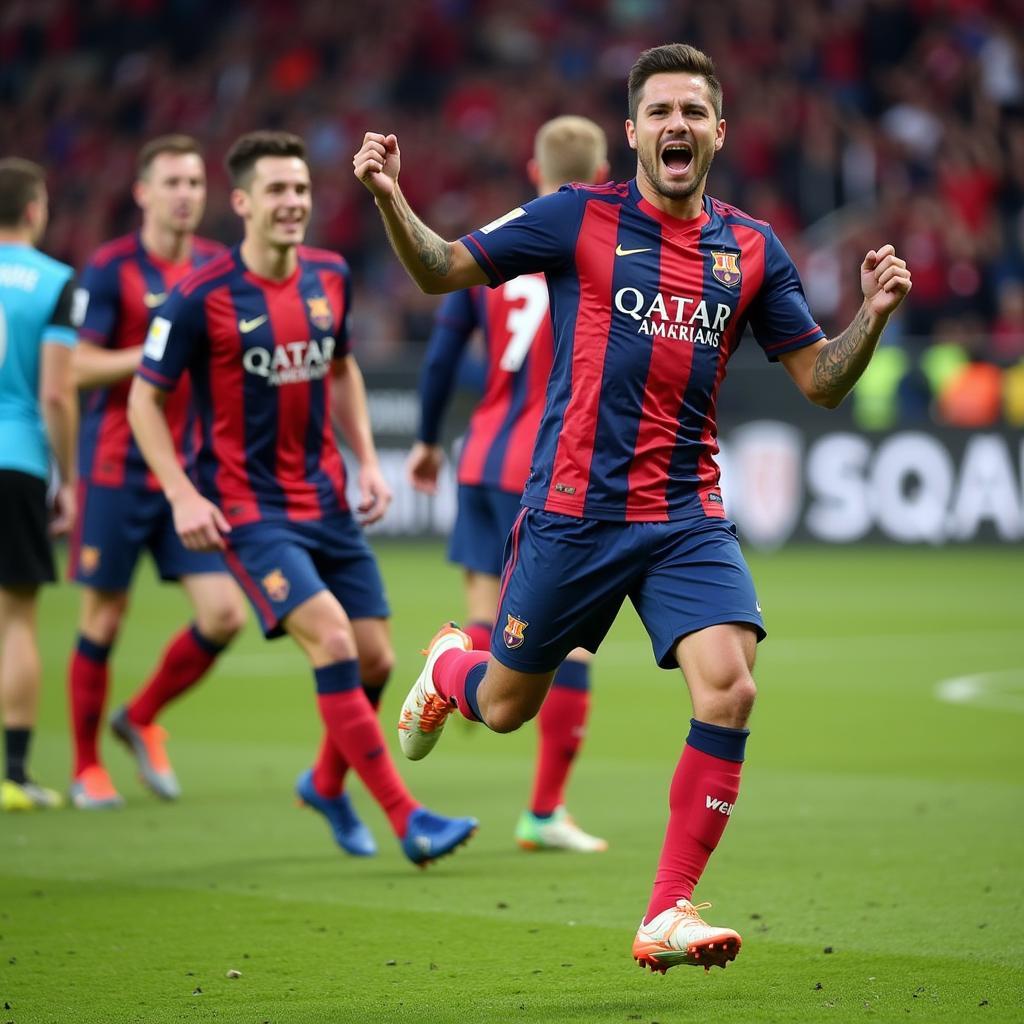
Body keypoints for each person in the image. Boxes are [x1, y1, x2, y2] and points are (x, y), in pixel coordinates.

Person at [355, 42, 912, 968]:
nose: (677, 127)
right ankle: (451, 664)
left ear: (720, 131)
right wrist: (388, 197)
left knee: (731, 687)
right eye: (660, 112)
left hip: (686, 515)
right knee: (503, 708)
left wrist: (874, 314)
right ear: (633, 132)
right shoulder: (578, 217)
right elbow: (442, 268)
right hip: (574, 513)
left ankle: (668, 910)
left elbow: (819, 381)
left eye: (693, 112)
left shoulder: (750, 248)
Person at [128, 130, 477, 866]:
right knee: (336, 641)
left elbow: (343, 368)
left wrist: (368, 465)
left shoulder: (329, 274)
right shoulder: (198, 297)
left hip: (325, 500)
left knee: (379, 661)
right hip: (248, 509)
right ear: (243, 203)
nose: (293, 204)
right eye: (278, 192)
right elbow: (142, 403)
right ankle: (408, 818)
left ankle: (324, 783)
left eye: (302, 191)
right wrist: (182, 494)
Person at [407, 116, 610, 853]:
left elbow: (440, 355)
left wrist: (428, 440)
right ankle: (545, 809)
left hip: (481, 456)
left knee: (489, 622)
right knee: (572, 646)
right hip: (554, 468)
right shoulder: (607, 245)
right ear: (605, 165)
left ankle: (444, 671)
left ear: (534, 167)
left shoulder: (492, 239)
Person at [67, 135, 247, 809]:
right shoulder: (111, 268)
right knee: (104, 619)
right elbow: (80, 367)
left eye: (195, 183)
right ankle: (87, 766)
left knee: (225, 614)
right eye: (172, 182)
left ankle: (138, 716)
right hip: (117, 465)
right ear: (143, 192)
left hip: (189, 473)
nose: (185, 195)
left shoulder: (217, 266)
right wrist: (159, 349)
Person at [0, 158, 77, 812]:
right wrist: (69, 478)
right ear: (32, 210)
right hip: (16, 458)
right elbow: (56, 391)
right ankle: (15, 774)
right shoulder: (55, 282)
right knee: (16, 619)